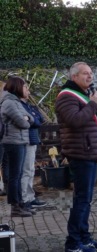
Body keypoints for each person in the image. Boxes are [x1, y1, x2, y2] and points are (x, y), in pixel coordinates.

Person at [55, 62, 97, 252]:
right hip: (80, 153)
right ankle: (73, 242)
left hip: (89, 152)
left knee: (85, 199)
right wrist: (93, 104)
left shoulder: (85, 95)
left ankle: (84, 238)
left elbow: (92, 121)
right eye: (85, 73)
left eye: (91, 73)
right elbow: (75, 121)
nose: (90, 76)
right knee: (82, 199)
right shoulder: (66, 96)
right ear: (74, 76)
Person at [1, 76, 34, 217]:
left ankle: (20, 204)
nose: (26, 89)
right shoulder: (9, 103)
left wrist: (27, 118)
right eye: (24, 86)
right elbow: (24, 122)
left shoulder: (16, 102)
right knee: (15, 176)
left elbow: (31, 117)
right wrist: (26, 119)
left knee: (18, 174)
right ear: (17, 87)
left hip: (20, 141)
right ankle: (15, 207)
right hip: (12, 142)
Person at [21, 94, 47, 211]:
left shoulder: (30, 106)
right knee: (26, 171)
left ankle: (30, 197)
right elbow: (33, 121)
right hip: (27, 140)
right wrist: (33, 119)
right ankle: (25, 199)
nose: (28, 91)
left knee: (30, 170)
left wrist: (32, 118)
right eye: (25, 88)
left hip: (33, 139)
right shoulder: (20, 106)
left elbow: (39, 119)